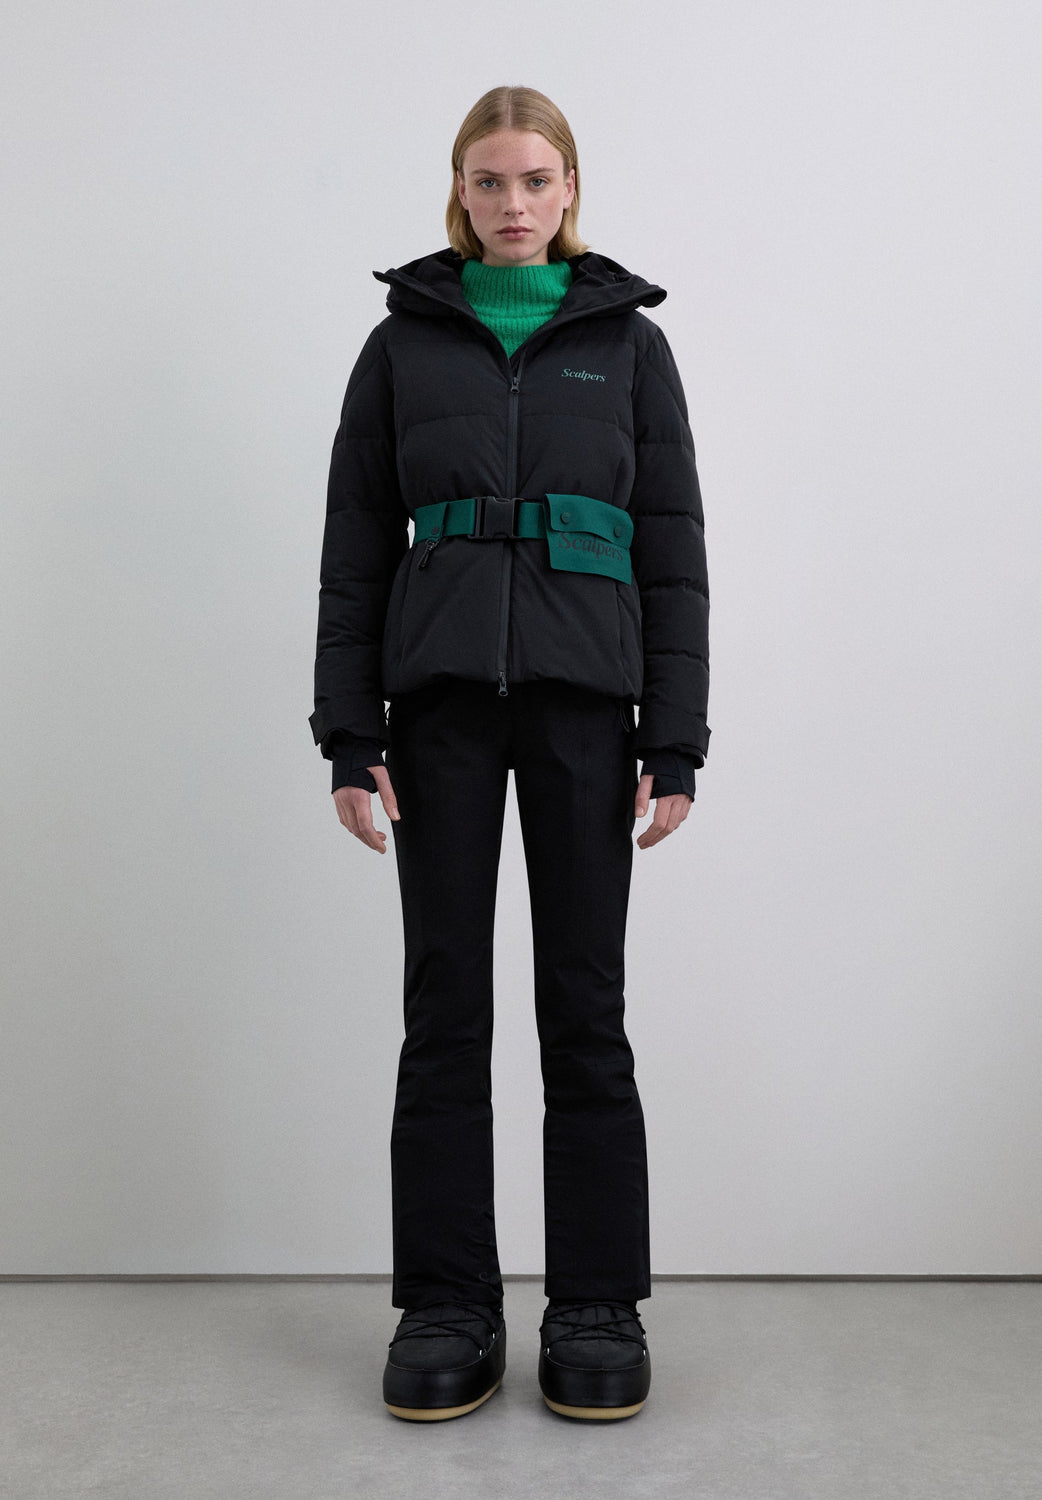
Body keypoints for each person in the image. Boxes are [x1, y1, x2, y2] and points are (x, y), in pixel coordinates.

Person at [309, 85, 710, 1423]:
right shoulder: (400, 347)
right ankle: (447, 1306)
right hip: (439, 712)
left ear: (569, 188)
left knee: (584, 1012)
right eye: (490, 181)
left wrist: (676, 737)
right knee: (445, 1015)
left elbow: (674, 554)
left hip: (588, 707)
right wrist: (349, 734)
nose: (514, 203)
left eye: (537, 179)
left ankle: (594, 1306)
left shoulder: (630, 346)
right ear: (460, 191)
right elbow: (354, 551)